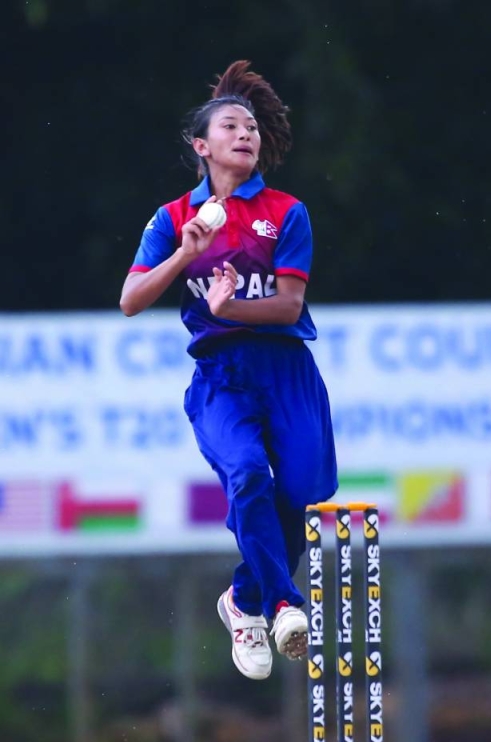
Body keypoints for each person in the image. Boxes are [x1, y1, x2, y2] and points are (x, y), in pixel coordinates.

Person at [120, 61, 338, 681]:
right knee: (246, 475)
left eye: (252, 128)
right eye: (231, 126)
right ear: (202, 146)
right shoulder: (172, 219)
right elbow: (131, 300)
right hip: (220, 375)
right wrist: (183, 255)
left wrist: (230, 306)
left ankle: (242, 600)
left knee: (301, 493)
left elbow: (289, 306)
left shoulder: (286, 212)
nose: (246, 134)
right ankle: (282, 604)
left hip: (286, 368)